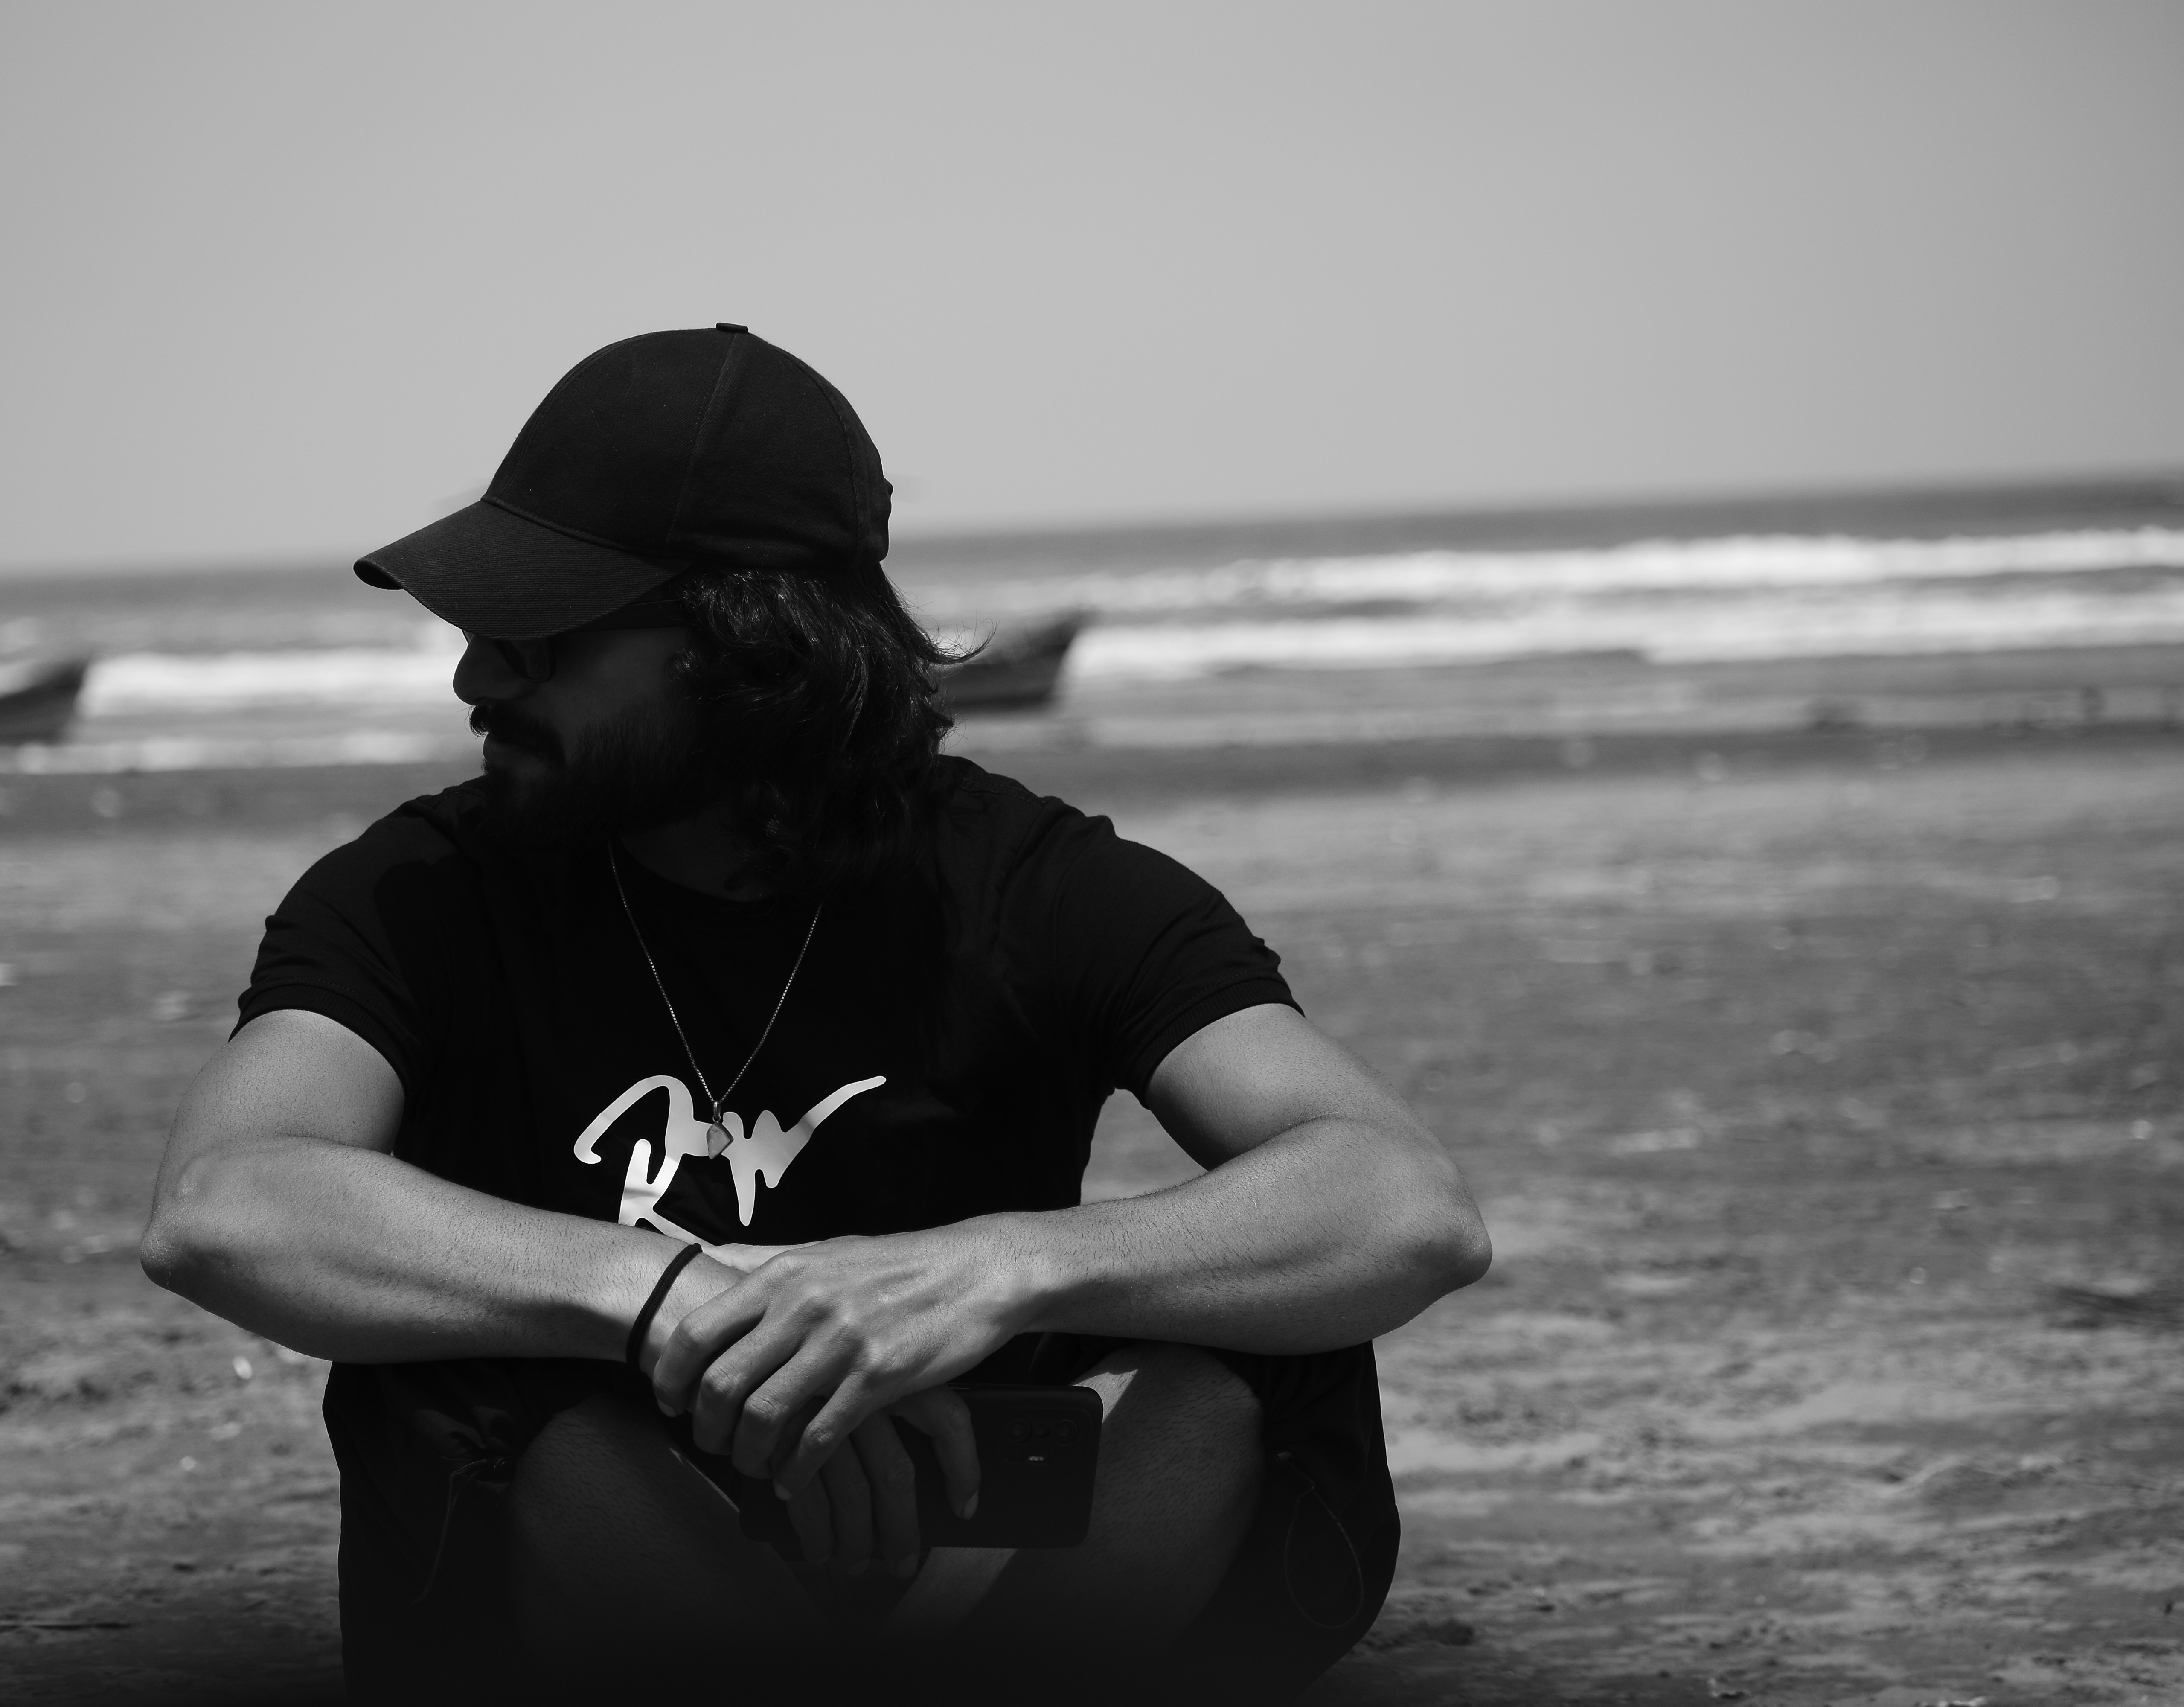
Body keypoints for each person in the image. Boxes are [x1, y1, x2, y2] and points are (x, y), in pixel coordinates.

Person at [140, 323, 1491, 1703]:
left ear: (740, 642)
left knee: (1275, 1340)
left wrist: (984, 1273)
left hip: (985, 1562)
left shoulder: (1036, 887)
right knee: (436, 1371)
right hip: (615, 1572)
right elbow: (227, 1207)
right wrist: (678, 1304)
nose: (475, 680)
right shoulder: (423, 893)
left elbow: (1402, 1209)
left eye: (537, 640)